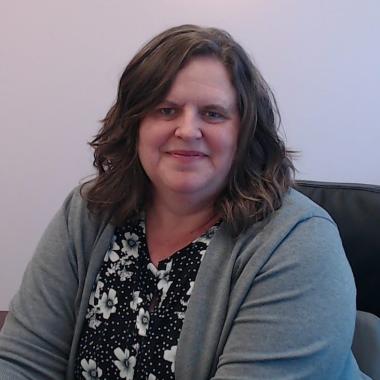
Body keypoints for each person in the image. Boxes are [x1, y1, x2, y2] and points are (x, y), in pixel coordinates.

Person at [0, 25, 370, 380]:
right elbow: (25, 359)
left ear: (244, 132)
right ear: (135, 124)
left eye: (213, 113)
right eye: (166, 109)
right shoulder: (88, 212)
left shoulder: (300, 244)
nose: (188, 130)